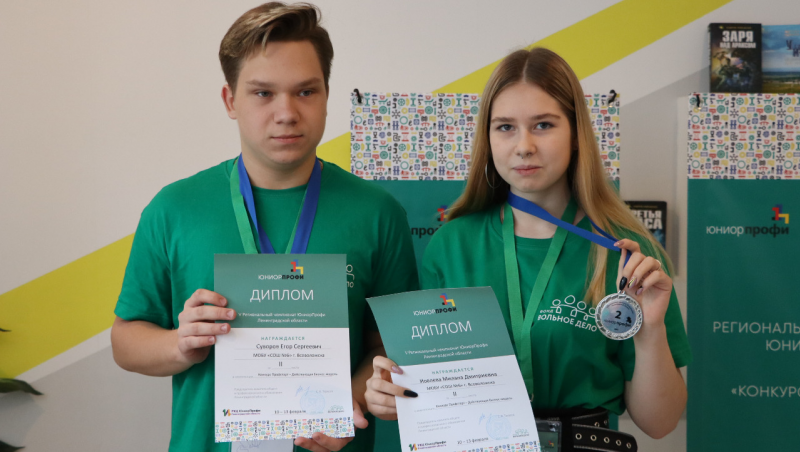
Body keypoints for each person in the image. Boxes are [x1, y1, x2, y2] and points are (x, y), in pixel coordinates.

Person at [110, 3, 418, 452]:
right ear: (230, 101)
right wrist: (180, 344)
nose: (286, 112)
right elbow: (125, 341)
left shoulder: (377, 212)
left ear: (326, 95)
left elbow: (389, 346)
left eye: (305, 91)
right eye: (263, 93)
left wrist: (347, 402)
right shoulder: (174, 209)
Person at [365, 48, 691, 452]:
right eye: (505, 127)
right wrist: (390, 393)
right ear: (487, 138)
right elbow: (428, 389)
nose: (524, 146)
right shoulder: (452, 244)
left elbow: (660, 423)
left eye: (543, 125)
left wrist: (650, 331)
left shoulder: (626, 253)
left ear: (576, 134)